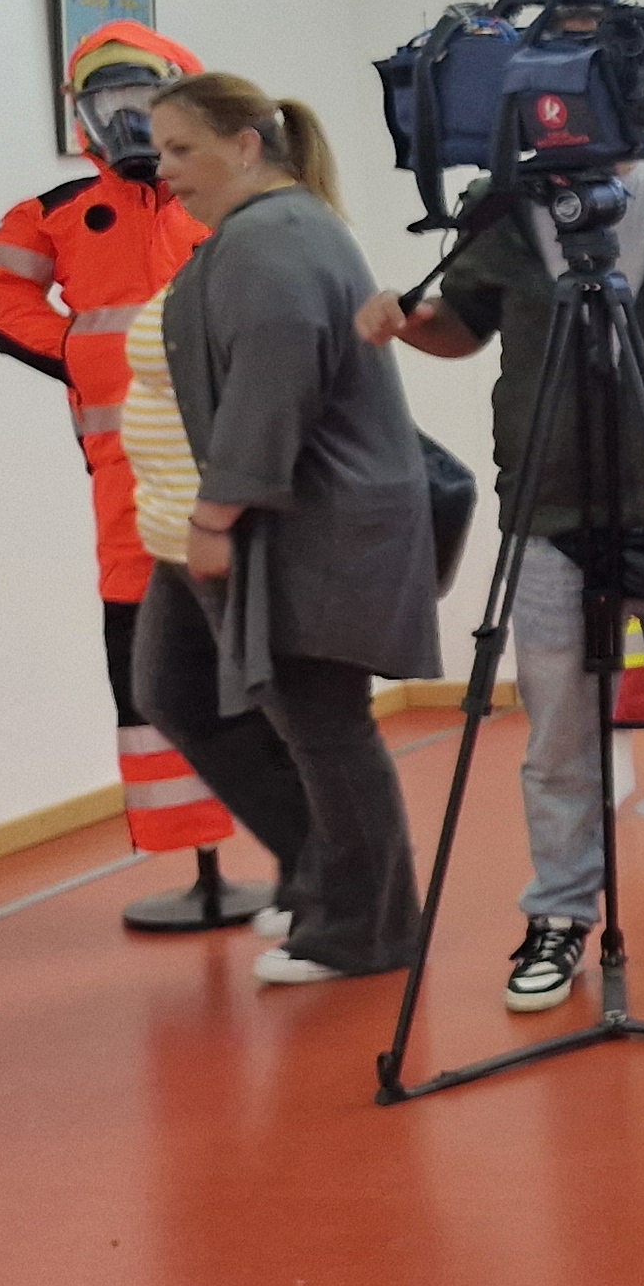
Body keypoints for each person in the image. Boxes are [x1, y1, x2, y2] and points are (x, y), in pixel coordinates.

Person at [361, 116, 644, 1012]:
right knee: (559, 737)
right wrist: (408, 320)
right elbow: (463, 327)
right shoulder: (502, 201)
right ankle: (560, 914)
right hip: (552, 504)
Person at [125, 76, 442, 985]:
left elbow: (273, 389)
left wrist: (218, 515)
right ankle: (323, 879)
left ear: (246, 145)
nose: (165, 167)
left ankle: (366, 930)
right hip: (196, 528)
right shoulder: (250, 236)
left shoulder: (276, 241)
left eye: (182, 148)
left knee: (323, 723)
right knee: (176, 689)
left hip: (277, 529)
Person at [0, 22, 253, 928]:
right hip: (125, 492)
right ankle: (193, 847)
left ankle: (303, 844)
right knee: (147, 662)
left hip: (238, 481)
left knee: (264, 655)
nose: (126, 127)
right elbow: (0, 294)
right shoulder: (56, 213)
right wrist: (76, 348)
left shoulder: (226, 204)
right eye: (108, 108)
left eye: (144, 106)